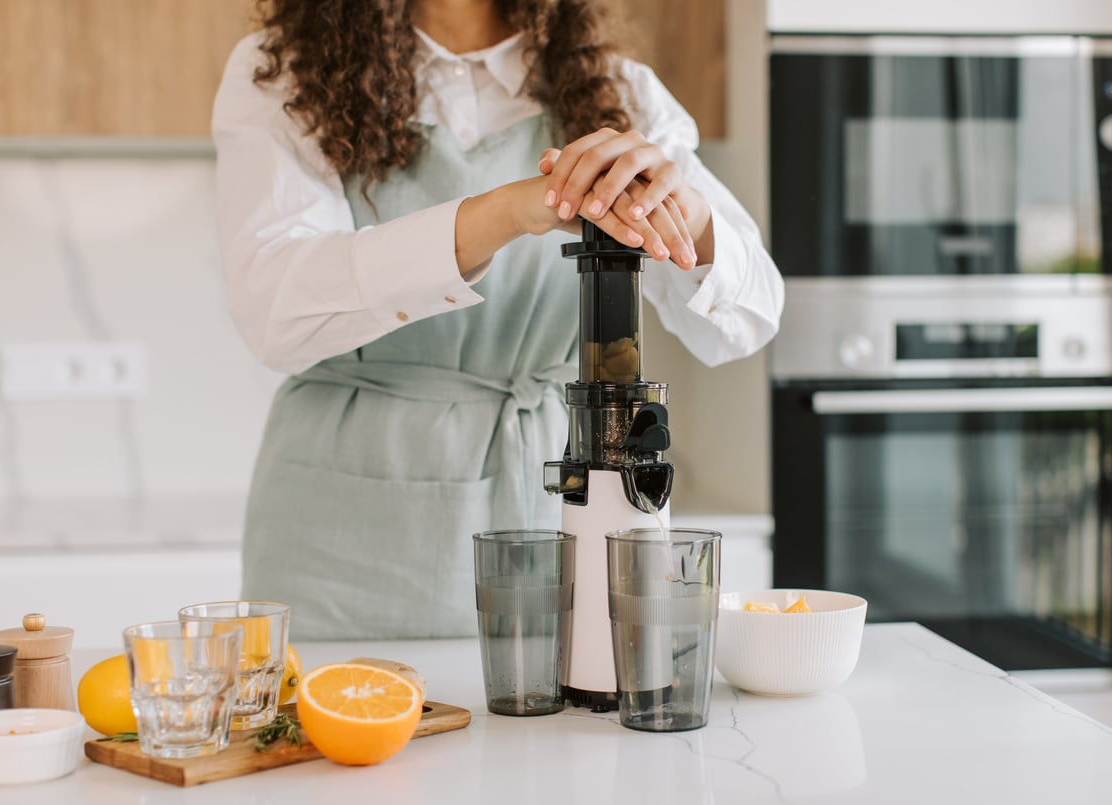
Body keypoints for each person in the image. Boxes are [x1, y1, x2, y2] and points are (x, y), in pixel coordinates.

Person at [212, 0, 784, 640]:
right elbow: (273, 310)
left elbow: (746, 321)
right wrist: (505, 213)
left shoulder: (619, 91)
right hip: (339, 535)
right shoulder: (287, 75)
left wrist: (690, 218)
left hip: (552, 507)